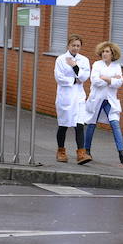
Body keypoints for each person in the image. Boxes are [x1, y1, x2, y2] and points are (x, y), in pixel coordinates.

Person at [84, 41, 123, 164]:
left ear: (112, 53)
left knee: (115, 124)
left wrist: (105, 78)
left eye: (107, 51)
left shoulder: (117, 66)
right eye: (103, 51)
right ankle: (86, 151)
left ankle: (121, 152)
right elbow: (95, 81)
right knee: (91, 124)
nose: (104, 53)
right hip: (97, 99)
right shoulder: (97, 65)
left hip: (110, 100)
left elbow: (119, 83)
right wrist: (111, 80)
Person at [54, 34, 92, 164]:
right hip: (65, 96)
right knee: (63, 125)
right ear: (68, 46)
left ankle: (81, 153)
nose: (76, 48)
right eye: (73, 45)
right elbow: (59, 77)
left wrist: (75, 66)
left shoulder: (84, 60)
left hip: (79, 97)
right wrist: (73, 79)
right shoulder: (60, 59)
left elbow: (84, 77)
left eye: (78, 46)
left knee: (79, 125)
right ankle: (61, 151)